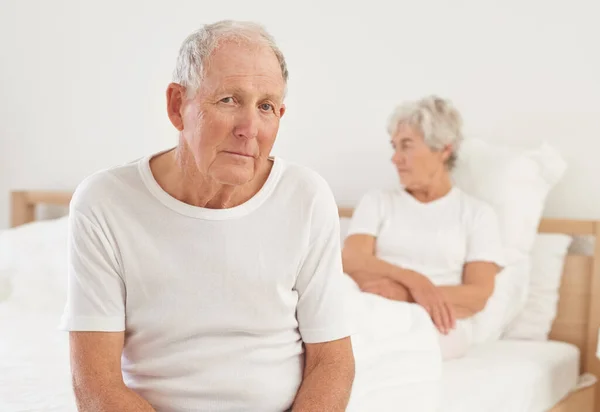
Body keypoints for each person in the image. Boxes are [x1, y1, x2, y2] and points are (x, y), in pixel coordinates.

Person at [60, 20, 355, 412]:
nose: (249, 128)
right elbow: (96, 385)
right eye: (229, 100)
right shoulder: (104, 202)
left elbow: (331, 362)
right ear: (177, 106)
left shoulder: (307, 196)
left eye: (266, 107)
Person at [341, 95, 505, 359]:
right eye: (394, 146)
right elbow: (351, 259)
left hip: (440, 321)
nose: (395, 158)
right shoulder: (377, 202)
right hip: (372, 306)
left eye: (406, 145)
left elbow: (477, 295)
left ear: (443, 149)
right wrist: (414, 280)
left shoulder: (477, 214)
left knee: (389, 349)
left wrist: (404, 294)